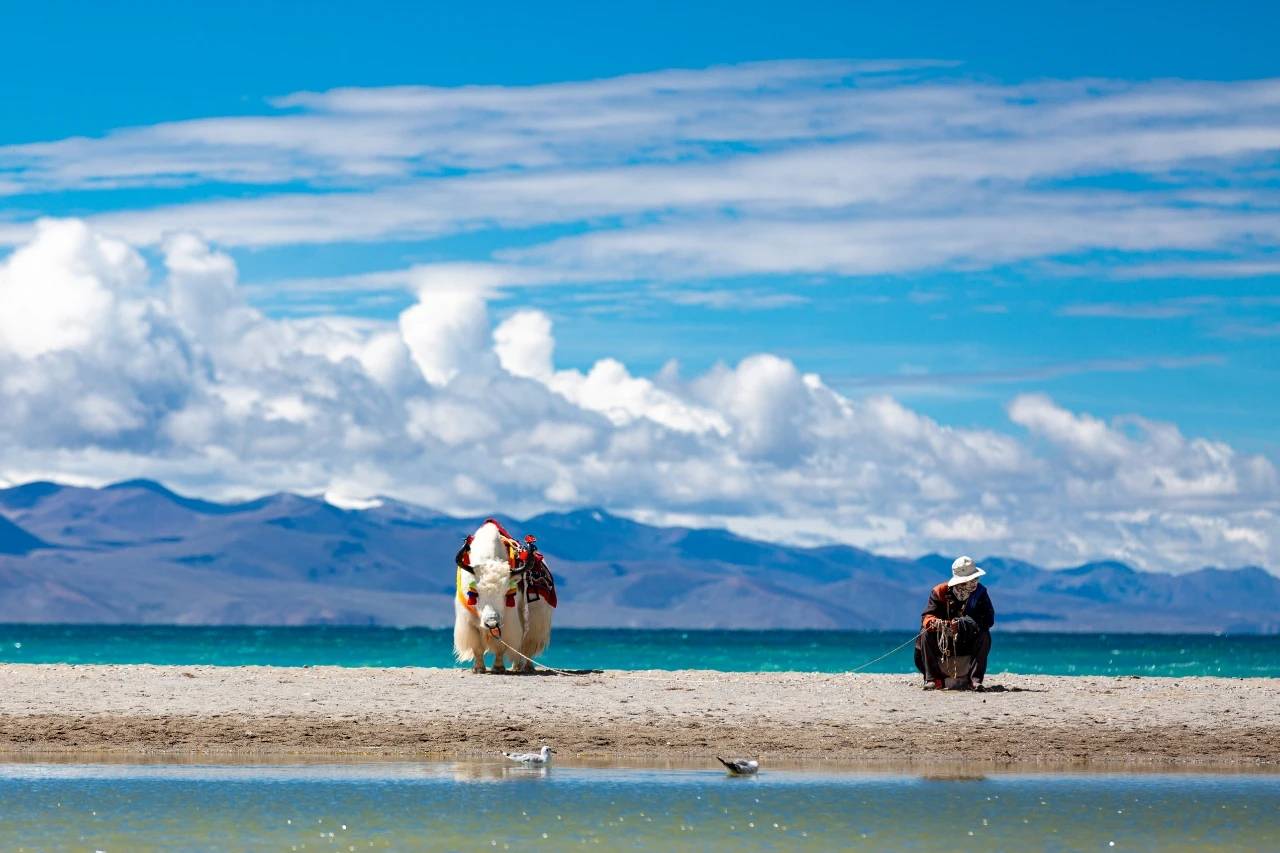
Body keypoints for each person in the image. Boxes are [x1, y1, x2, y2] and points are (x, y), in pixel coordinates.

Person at [914, 556, 995, 690]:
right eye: (970, 580)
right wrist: (935, 623)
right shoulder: (939, 591)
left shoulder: (980, 593)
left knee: (985, 635)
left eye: (975, 579)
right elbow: (927, 617)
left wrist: (961, 624)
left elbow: (988, 619)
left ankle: (974, 680)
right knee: (924, 633)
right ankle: (933, 679)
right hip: (943, 646)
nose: (974, 583)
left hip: (966, 642)